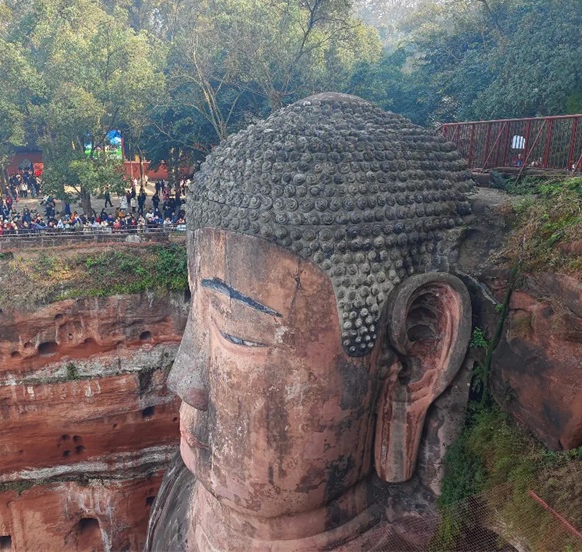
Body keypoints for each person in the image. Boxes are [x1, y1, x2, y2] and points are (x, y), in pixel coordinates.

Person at [146, 93, 474, 551]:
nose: (183, 381)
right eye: (196, 321)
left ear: (420, 354)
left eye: (237, 331)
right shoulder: (179, 492)